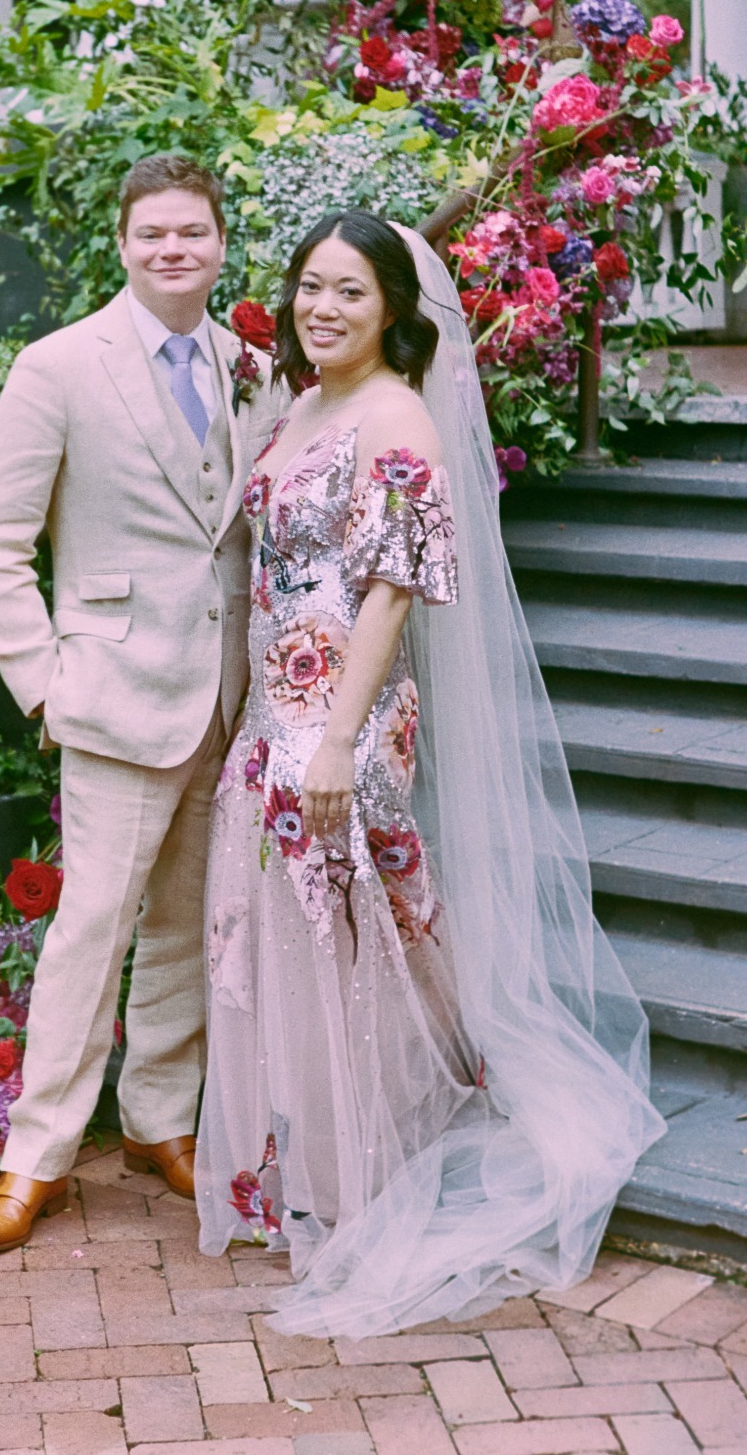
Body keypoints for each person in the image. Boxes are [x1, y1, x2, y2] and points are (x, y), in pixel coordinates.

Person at [196, 209, 664, 1336]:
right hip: (273, 713)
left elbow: (391, 591)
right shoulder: (305, 402)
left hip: (338, 723)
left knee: (341, 948)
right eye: (311, 286)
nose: (322, 308)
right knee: (286, 947)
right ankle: (307, 1176)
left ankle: (356, 1194)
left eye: (351, 291)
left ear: (397, 311)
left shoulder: (399, 417)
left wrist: (337, 739)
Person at [0, 152, 281, 1254]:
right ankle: (33, 1159)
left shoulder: (253, 364)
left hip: (225, 694)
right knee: (89, 932)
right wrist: (40, 681)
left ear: (219, 241)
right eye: (153, 234)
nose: (173, 250)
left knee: (189, 923)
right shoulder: (57, 367)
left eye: (192, 232)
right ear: (122, 242)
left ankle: (156, 1120)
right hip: (108, 696)